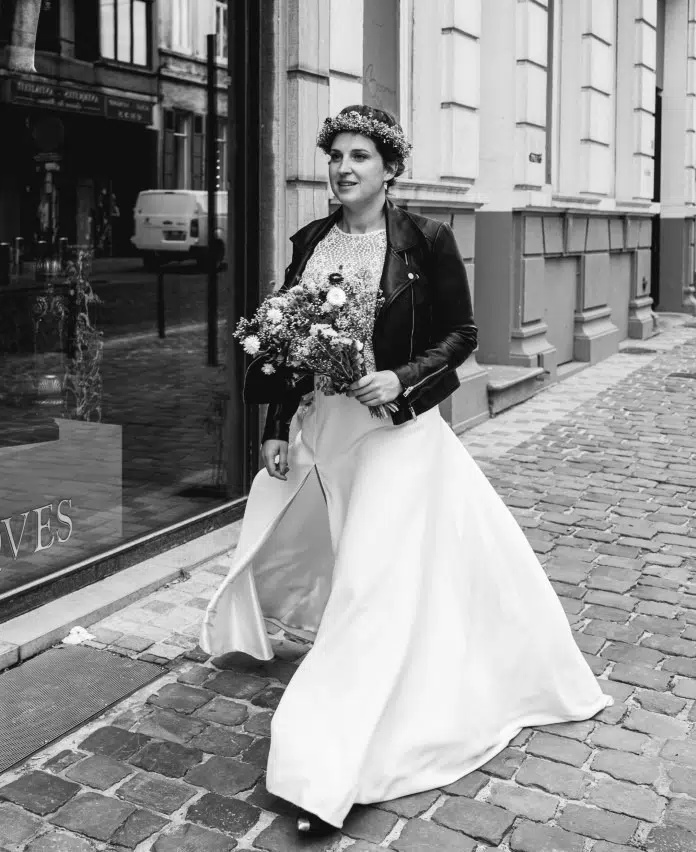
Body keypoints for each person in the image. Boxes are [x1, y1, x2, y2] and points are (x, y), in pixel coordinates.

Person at [200, 106, 610, 836]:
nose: (343, 168)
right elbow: (291, 343)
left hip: (397, 436)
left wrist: (401, 380)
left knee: (370, 585)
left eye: (360, 156)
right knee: (376, 572)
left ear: (390, 170)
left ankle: (327, 768)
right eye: (336, 156)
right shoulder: (311, 243)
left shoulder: (427, 240)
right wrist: (275, 425)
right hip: (330, 433)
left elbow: (464, 334)